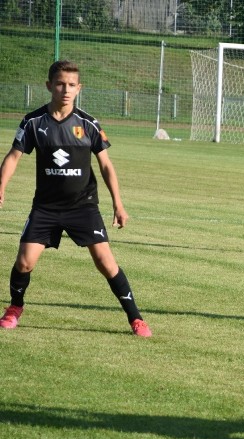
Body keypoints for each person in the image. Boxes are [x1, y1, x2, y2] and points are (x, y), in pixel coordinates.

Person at [0, 60, 151, 337]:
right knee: (24, 262)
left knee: (106, 262)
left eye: (71, 85)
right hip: (45, 207)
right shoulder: (33, 122)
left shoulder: (88, 124)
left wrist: (118, 203)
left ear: (79, 88)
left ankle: (136, 318)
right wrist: (1, 186)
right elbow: (13, 156)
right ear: (49, 86)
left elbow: (106, 165)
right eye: (60, 84)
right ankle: (14, 308)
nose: (65, 90)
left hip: (83, 206)